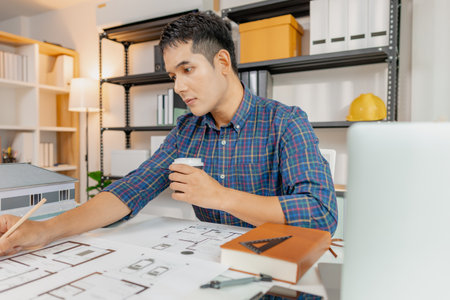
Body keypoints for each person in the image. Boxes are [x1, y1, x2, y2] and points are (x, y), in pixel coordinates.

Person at [0, 12, 337, 256]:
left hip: (276, 272)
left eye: (188, 69)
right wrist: (44, 230)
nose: (179, 87)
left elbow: (320, 213)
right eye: (174, 75)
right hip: (209, 265)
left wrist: (220, 196)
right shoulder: (186, 130)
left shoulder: (284, 121)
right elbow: (131, 190)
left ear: (222, 62)